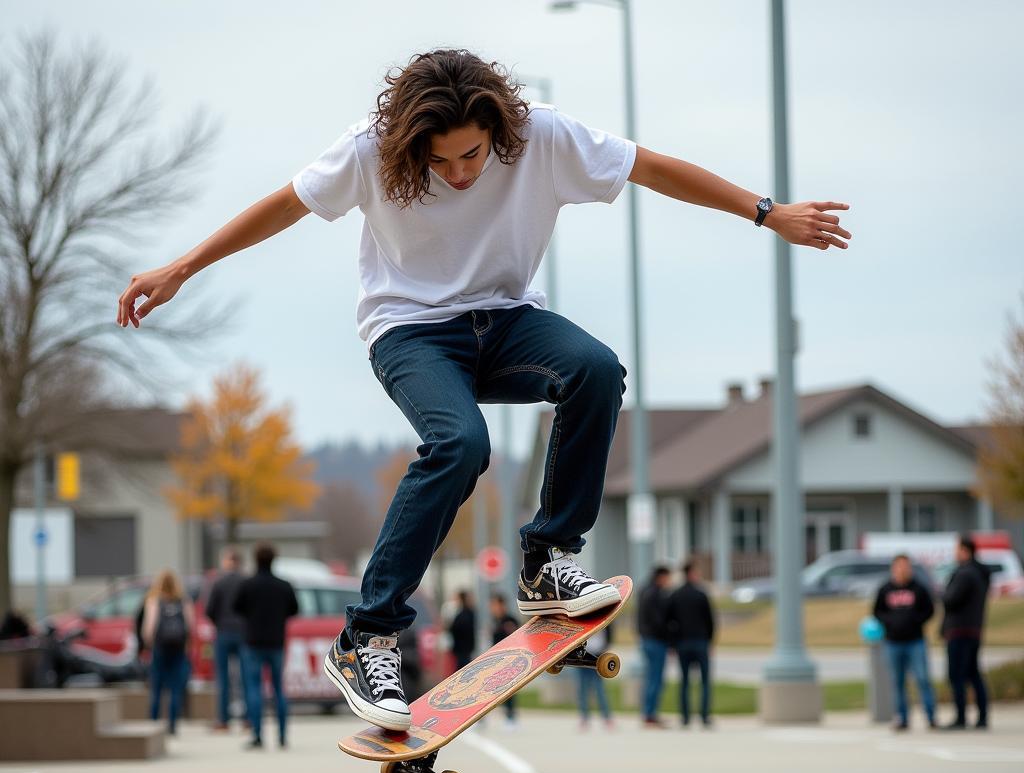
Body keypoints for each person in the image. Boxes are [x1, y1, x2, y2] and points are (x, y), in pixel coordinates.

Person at [116, 49, 850, 732]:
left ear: (497, 126)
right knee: (461, 444)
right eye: (440, 162)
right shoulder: (369, 149)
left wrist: (766, 211)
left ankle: (547, 556)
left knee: (595, 369)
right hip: (409, 333)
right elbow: (284, 205)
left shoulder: (542, 137)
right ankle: (367, 636)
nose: (461, 172)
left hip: (507, 322)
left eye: (472, 154)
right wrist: (183, 267)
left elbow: (651, 168)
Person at [233, 544, 298, 749]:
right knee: (279, 688)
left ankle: (257, 735)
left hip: (252, 642)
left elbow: (236, 608)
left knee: (254, 688)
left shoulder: (247, 585)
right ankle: (282, 736)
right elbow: (294, 609)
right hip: (276, 642)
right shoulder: (284, 585)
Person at [872, 554, 936, 731]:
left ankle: (931, 717)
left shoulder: (919, 588)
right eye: (899, 566)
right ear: (894, 568)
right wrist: (890, 622)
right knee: (898, 682)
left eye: (905, 566)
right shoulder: (885, 589)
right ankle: (902, 719)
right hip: (893, 642)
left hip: (916, 641)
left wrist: (915, 620)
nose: (902, 569)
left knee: (923, 679)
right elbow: (877, 611)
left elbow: (930, 610)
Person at [941, 536, 993, 730]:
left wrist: (943, 593)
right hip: (974, 629)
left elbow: (950, 599)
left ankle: (961, 717)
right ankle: (982, 716)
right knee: (973, 673)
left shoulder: (965, 574)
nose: (955, 553)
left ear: (965, 550)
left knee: (957, 675)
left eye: (957, 549)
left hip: (960, 630)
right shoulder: (980, 573)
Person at [141, 569, 194, 735]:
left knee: (156, 686)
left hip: (160, 647)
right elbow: (190, 625)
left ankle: (154, 723)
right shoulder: (183, 600)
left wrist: (148, 644)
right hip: (178, 648)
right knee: (175, 687)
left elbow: (149, 627)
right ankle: (172, 724)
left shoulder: (154, 600)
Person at [667, 560, 716, 728]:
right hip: (700, 642)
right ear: (690, 573)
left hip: (682, 643)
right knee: (705, 681)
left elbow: (669, 621)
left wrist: (673, 644)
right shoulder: (701, 594)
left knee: (685, 682)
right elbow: (710, 620)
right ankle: (704, 716)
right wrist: (710, 641)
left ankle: (685, 717)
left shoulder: (675, 595)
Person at [204, 548, 248, 731]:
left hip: (223, 632)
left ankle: (223, 720)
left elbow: (209, 610)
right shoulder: (246, 582)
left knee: (222, 678)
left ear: (227, 561)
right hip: (244, 633)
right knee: (246, 677)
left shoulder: (218, 582)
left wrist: (219, 622)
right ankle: (249, 719)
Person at [638, 566, 672, 728]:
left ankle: (648, 712)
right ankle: (650, 714)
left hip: (646, 640)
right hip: (656, 641)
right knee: (655, 679)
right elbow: (658, 621)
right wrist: (670, 637)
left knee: (650, 678)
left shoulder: (644, 591)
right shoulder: (655, 594)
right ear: (660, 577)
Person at [576, 624, 615, 731]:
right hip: (582, 656)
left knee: (599, 688)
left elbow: (609, 631)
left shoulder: (603, 616)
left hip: (598, 655)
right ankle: (584, 718)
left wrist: (606, 646)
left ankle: (606, 717)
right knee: (583, 688)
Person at [489, 593, 520, 726]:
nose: (493, 608)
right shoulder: (495, 621)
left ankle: (511, 717)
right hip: (498, 661)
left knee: (509, 691)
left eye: (495, 605)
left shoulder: (510, 620)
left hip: (510, 661)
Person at [449, 590, 477, 671]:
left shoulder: (464, 615)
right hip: (464, 650)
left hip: (464, 651)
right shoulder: (466, 613)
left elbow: (455, 629)